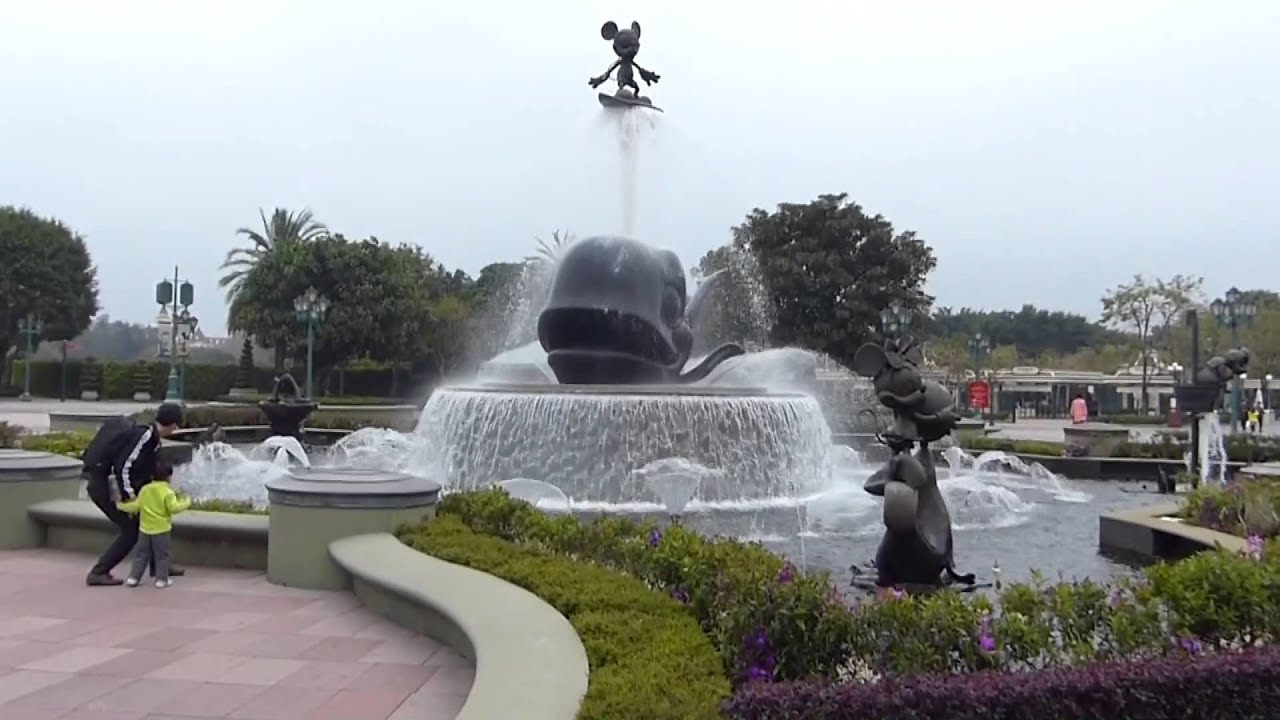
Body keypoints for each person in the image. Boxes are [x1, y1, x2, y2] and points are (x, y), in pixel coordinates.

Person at [80, 403, 184, 586]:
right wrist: (131, 496)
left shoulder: (151, 438)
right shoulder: (145, 436)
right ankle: (99, 572)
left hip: (107, 486)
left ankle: (160, 566)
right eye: (177, 425)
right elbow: (124, 467)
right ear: (173, 424)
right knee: (131, 531)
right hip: (106, 488)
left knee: (149, 521)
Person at [117, 458, 190, 588]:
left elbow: (136, 506)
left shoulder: (145, 489)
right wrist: (186, 502)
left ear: (152, 476)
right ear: (169, 477)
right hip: (162, 530)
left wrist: (121, 506)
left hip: (145, 529)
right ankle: (161, 580)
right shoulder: (167, 492)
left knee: (141, 554)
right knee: (162, 555)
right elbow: (174, 508)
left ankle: (133, 578)